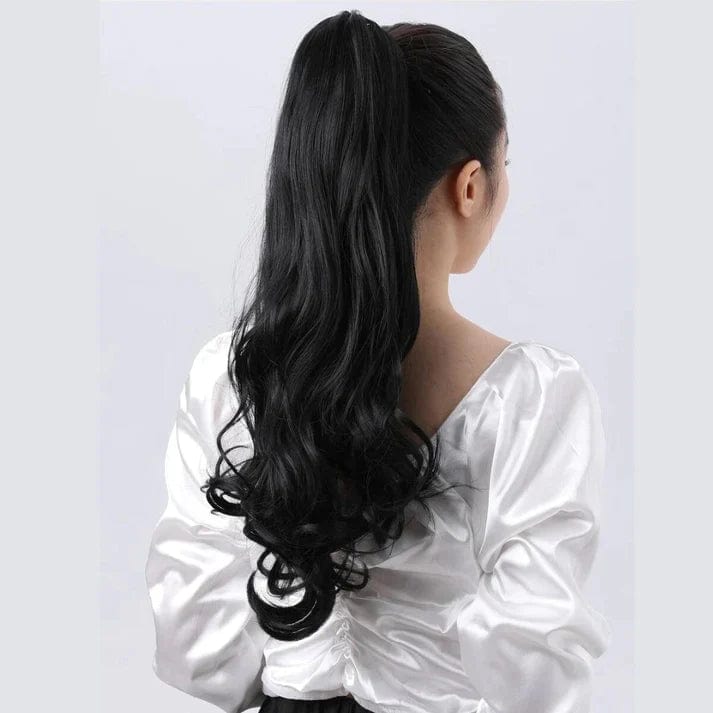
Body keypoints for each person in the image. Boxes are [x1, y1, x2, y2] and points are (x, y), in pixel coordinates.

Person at [144, 10, 611, 713]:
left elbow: (197, 650)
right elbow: (533, 672)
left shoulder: (234, 377)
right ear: (471, 186)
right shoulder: (530, 397)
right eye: (505, 163)